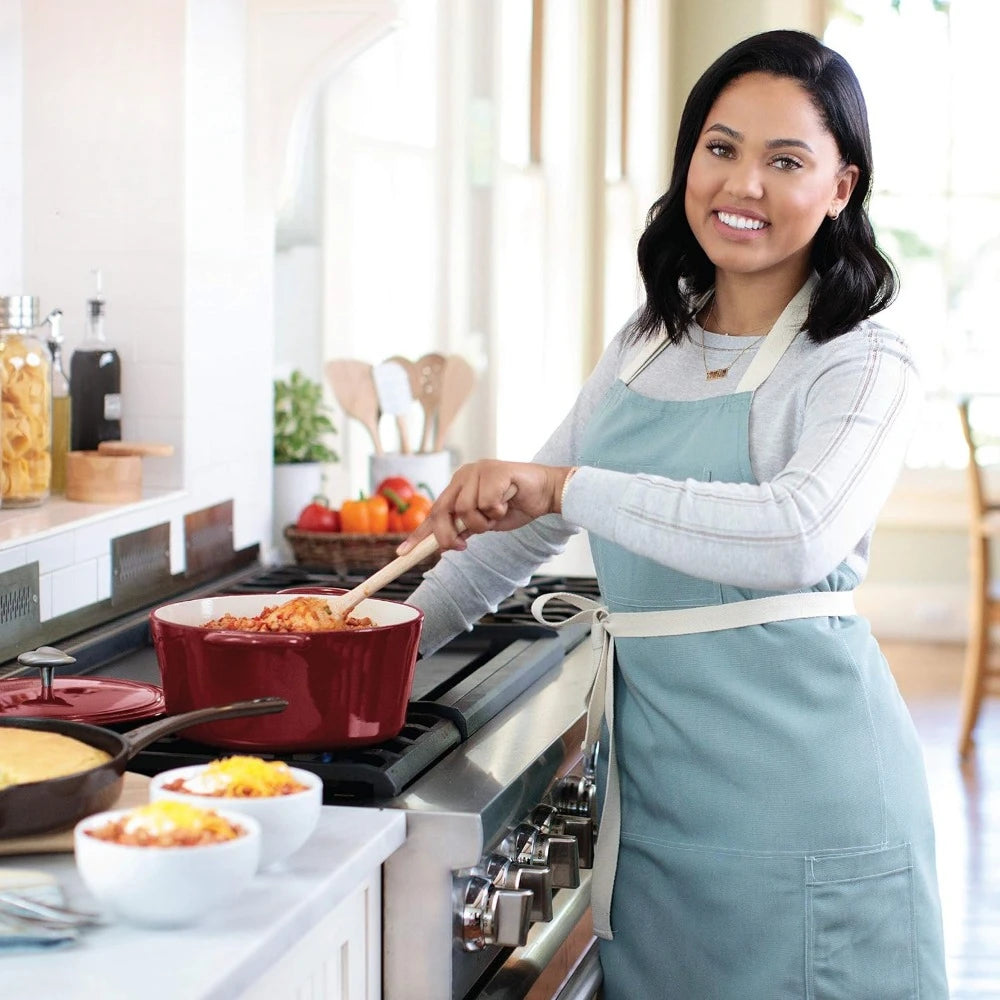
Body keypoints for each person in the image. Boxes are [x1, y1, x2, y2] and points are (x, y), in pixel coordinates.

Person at [399, 28, 948, 999]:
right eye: (720, 147)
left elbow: (794, 532)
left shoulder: (861, 361)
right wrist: (366, 657)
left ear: (840, 188)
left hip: (808, 810)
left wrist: (564, 484)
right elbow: (514, 538)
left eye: (785, 160)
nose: (742, 184)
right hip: (659, 810)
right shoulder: (650, 340)